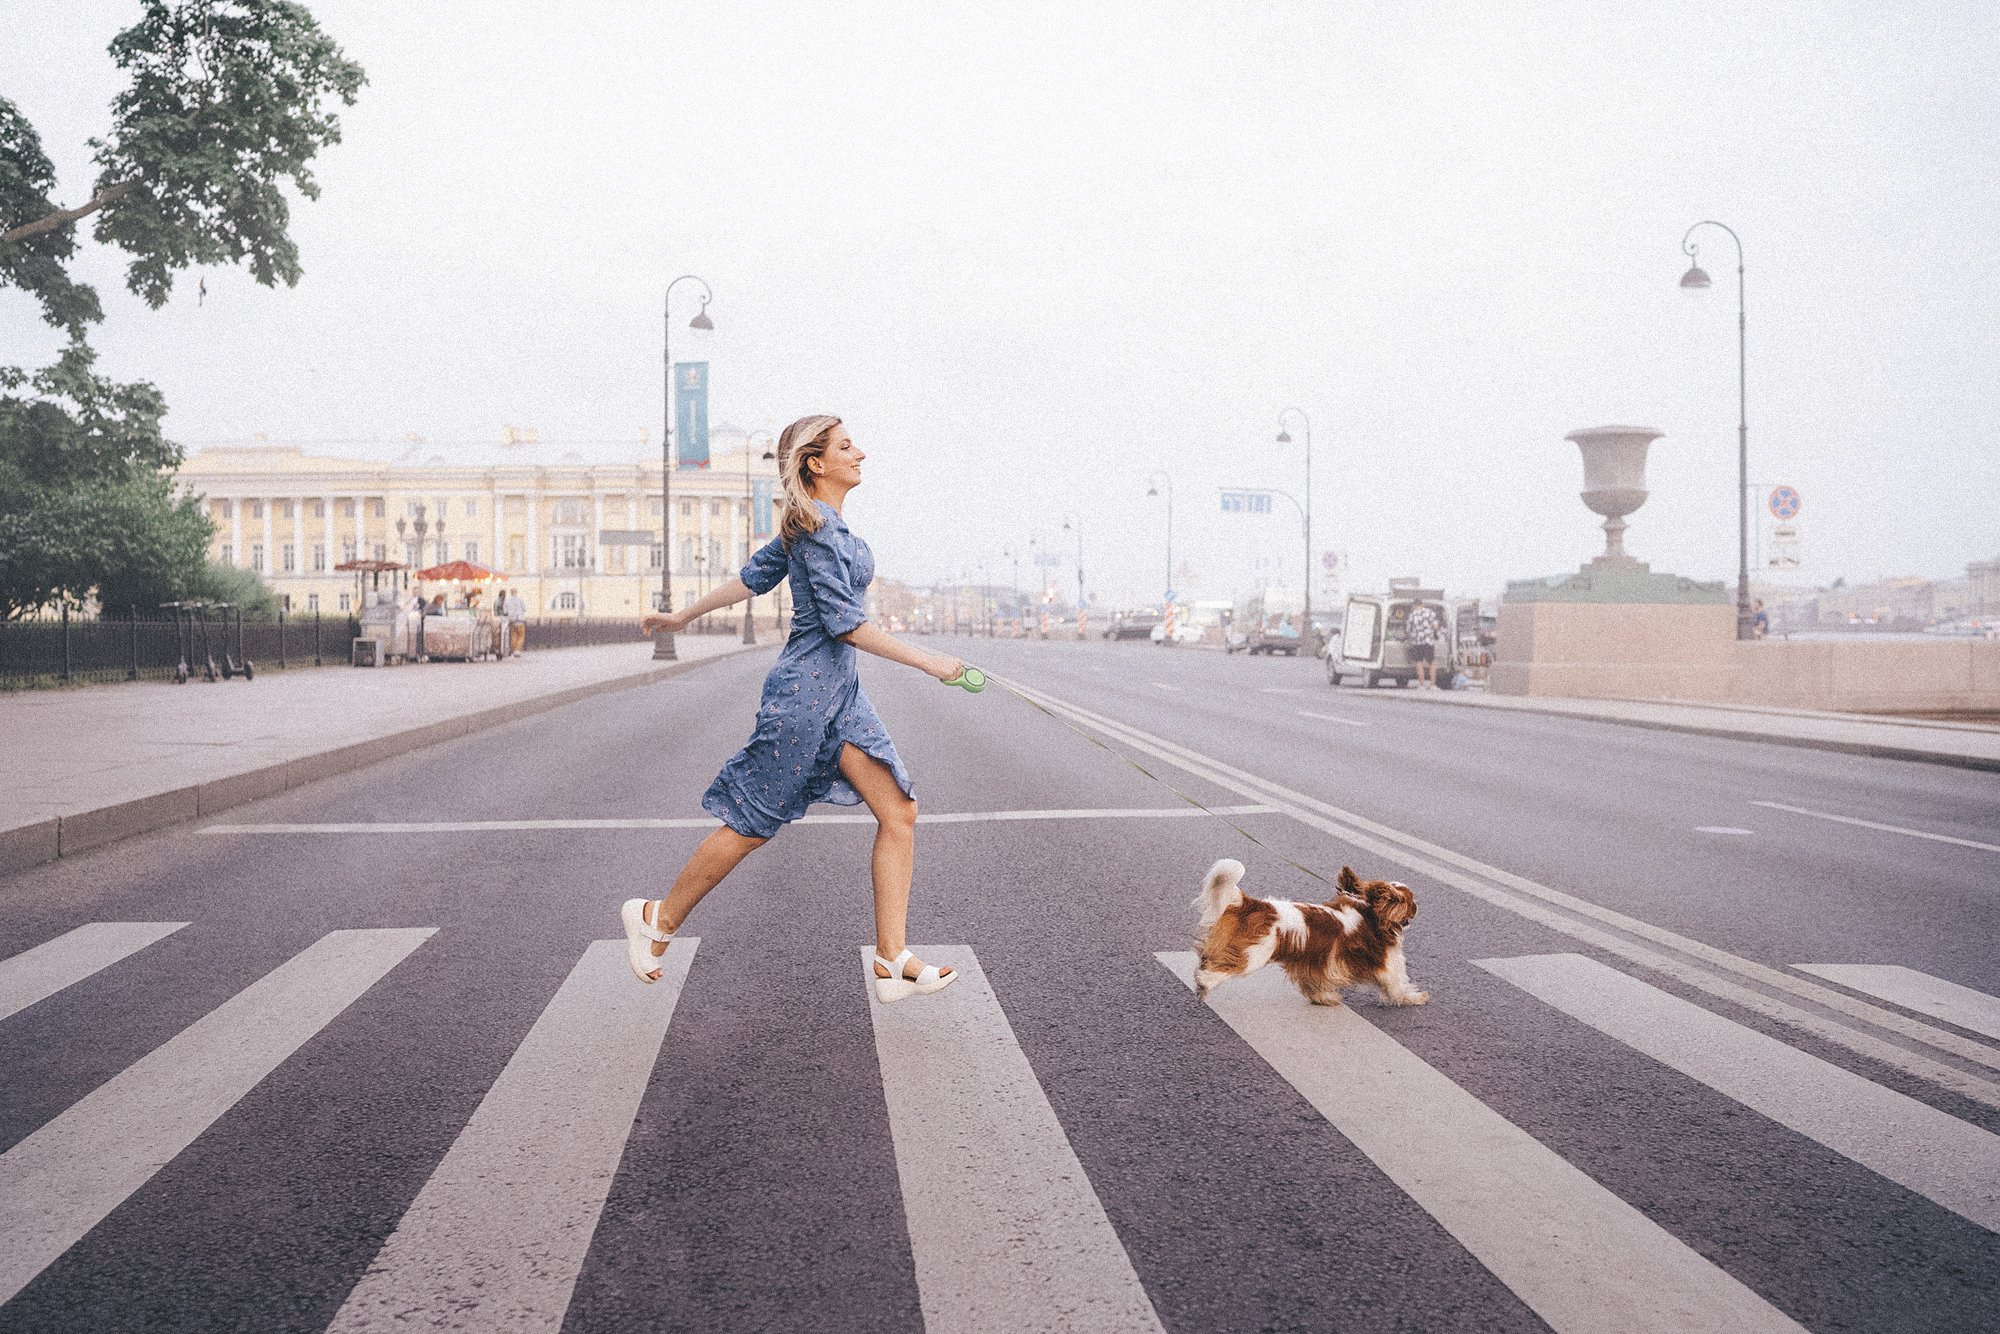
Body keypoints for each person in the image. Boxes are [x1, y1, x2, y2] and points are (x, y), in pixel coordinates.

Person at [624, 415, 966, 1002]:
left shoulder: (812, 525)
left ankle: (891, 960)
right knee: (752, 823)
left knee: (899, 811)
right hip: (804, 699)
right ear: (815, 462)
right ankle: (657, 917)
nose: (860, 453)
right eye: (846, 446)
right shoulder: (816, 531)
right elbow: (846, 624)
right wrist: (929, 661)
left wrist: (681, 616)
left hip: (840, 695)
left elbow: (748, 580)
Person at [1404, 601, 1442, 688]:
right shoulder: (1430, 613)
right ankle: (1433, 685)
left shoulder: (1412, 615)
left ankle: (1421, 685)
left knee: (1419, 663)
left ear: (1414, 606)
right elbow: (1435, 626)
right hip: (1428, 641)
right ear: (1422, 605)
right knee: (1431, 663)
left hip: (1417, 641)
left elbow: (1408, 629)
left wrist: (1413, 635)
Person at [504, 587, 528, 655]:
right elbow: (524, 609)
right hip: (520, 620)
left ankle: (515, 649)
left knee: (514, 635)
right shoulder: (520, 600)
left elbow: (505, 611)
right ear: (516, 592)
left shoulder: (507, 600)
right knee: (521, 635)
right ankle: (517, 650)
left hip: (512, 621)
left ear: (510, 593)